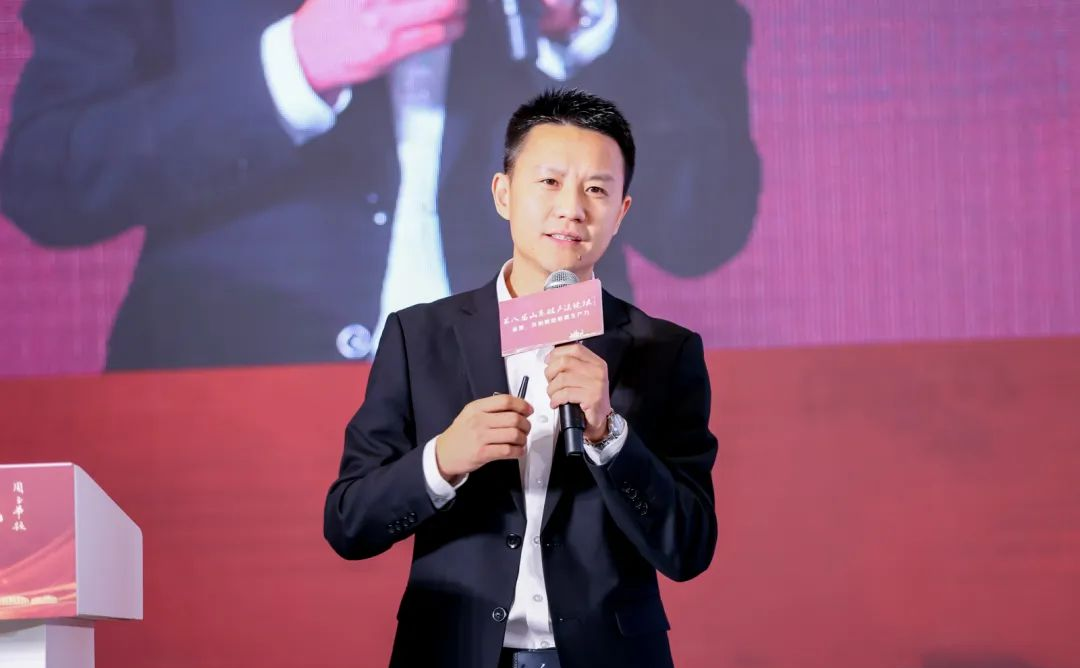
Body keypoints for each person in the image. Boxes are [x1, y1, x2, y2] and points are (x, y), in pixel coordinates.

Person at [0, 0, 758, 371]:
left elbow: (705, 224)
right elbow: (47, 177)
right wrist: (294, 67)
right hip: (228, 415)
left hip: (543, 434)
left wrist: (588, 24)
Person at [324, 89, 718, 668]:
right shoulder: (418, 337)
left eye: (596, 190)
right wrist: (442, 461)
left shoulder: (665, 351)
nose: (571, 208)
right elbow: (349, 523)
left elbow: (688, 547)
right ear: (503, 193)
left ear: (622, 211)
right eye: (550, 182)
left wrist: (610, 436)